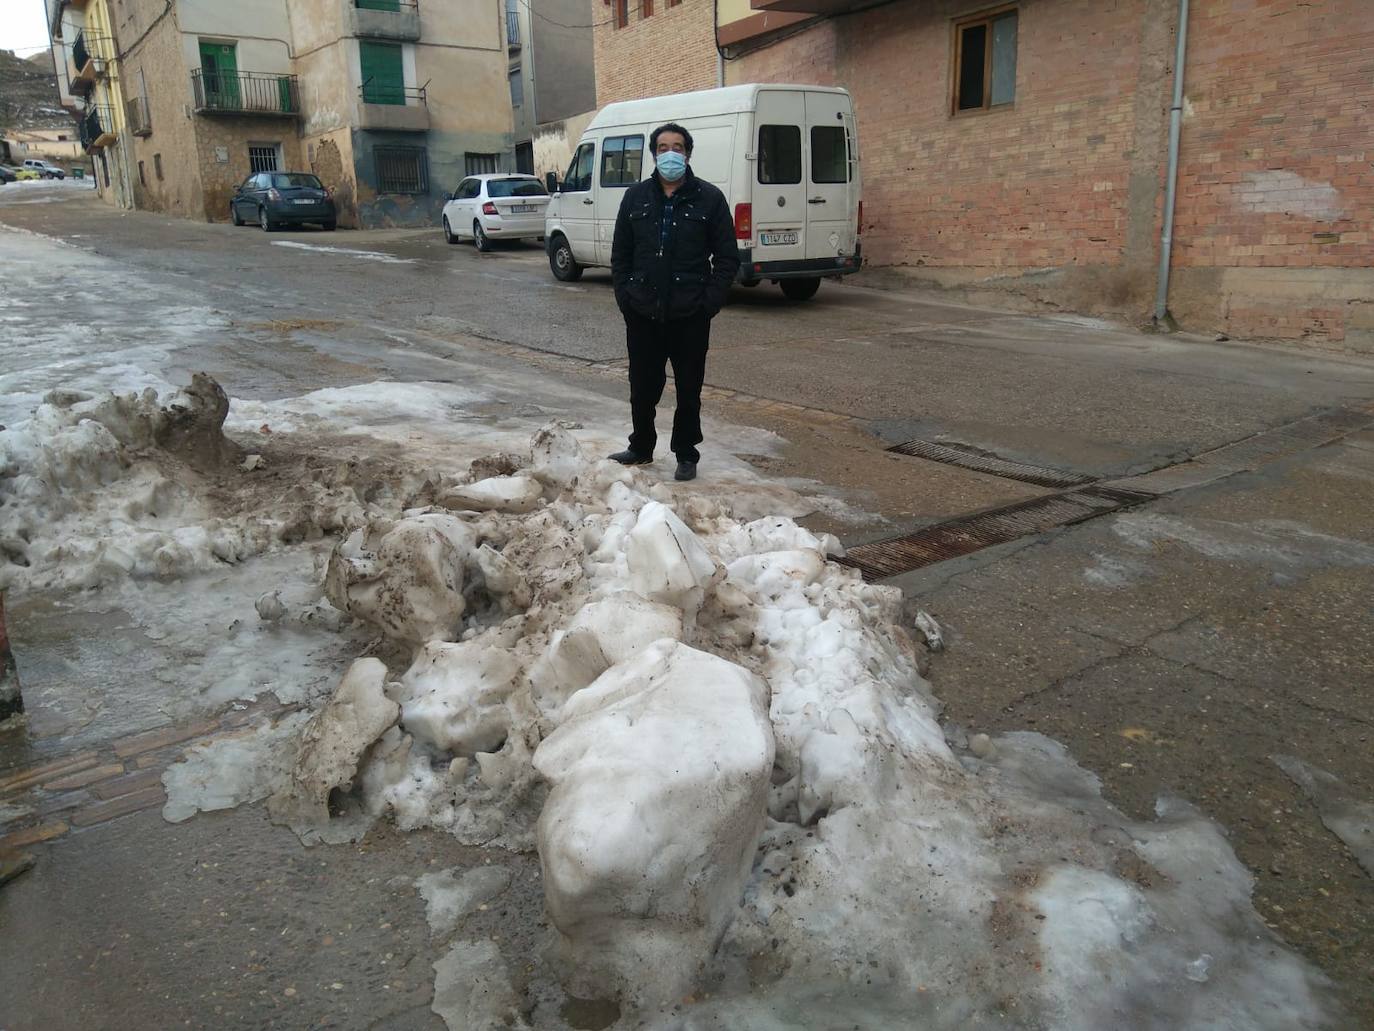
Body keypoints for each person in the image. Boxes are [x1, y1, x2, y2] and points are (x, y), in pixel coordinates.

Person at [608, 122, 740, 482]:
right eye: (663, 147)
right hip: (643, 312)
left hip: (690, 314)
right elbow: (620, 256)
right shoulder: (635, 198)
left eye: (677, 147)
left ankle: (685, 452)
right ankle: (641, 446)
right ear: (654, 154)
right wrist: (626, 297)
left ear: (688, 153)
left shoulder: (709, 199)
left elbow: (727, 259)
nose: (670, 153)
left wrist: (708, 302)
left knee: (688, 389)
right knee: (643, 386)